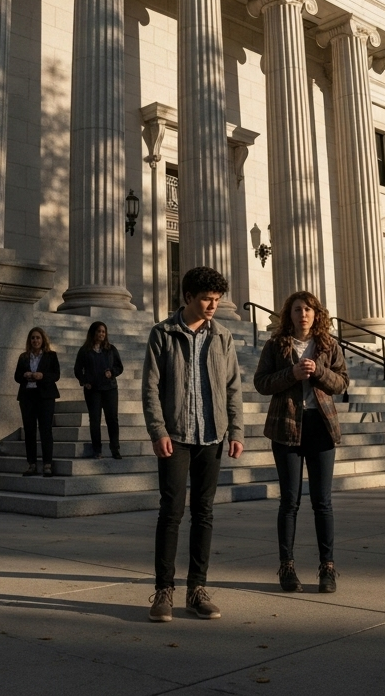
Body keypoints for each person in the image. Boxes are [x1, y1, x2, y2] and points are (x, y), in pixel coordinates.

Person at [142, 266, 244, 623]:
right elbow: (151, 388)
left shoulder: (223, 337)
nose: (212, 305)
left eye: (216, 299)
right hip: (176, 436)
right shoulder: (163, 334)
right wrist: (158, 431)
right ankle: (164, 590)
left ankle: (197, 589)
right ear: (187, 297)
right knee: (171, 513)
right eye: (206, 299)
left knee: (204, 513)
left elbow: (233, 387)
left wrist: (237, 431)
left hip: (212, 436)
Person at [254, 291, 349, 595]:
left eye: (308, 309)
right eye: (297, 309)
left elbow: (342, 383)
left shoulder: (328, 345)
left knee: (322, 502)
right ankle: (287, 566)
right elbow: (261, 383)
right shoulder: (276, 345)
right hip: (286, 427)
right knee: (289, 502)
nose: (303, 314)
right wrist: (292, 374)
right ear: (289, 315)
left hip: (320, 427)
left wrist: (318, 371)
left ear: (316, 314)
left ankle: (327, 567)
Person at [73, 321, 124, 459]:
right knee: (95, 420)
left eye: (103, 331)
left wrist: (112, 372)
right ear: (93, 333)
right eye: (99, 331)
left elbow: (119, 367)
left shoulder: (111, 349)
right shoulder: (85, 350)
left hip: (110, 388)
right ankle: (97, 450)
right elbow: (78, 369)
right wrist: (84, 381)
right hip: (93, 390)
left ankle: (115, 449)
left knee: (112, 419)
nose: (101, 334)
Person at [14, 327, 60, 477]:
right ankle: (32, 464)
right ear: (29, 340)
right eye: (33, 338)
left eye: (38, 338)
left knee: (45, 430)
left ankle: (47, 464)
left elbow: (56, 375)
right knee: (29, 431)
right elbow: (17, 376)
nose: (35, 340)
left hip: (45, 397)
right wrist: (25, 375)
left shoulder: (50, 356)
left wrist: (42, 375)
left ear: (43, 340)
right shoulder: (23, 357)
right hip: (27, 397)